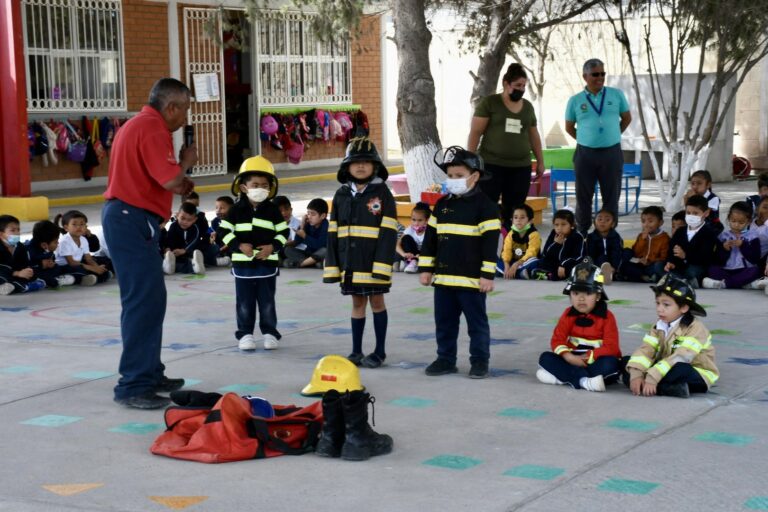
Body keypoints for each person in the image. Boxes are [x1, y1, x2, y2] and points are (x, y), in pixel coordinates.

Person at [102, 77, 197, 409]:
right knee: (142, 301)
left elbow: (160, 181)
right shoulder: (153, 128)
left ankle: (150, 372)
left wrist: (179, 180)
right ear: (171, 106)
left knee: (151, 298)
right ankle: (133, 384)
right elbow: (171, 178)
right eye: (185, 108)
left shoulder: (140, 124)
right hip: (129, 218)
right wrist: (186, 161)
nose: (186, 117)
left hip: (132, 217)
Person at [419, 146, 500, 379]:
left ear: (474, 177)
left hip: (472, 281)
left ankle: (480, 361)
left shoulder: (486, 207)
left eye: (459, 176)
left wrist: (487, 275)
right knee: (444, 323)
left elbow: (489, 244)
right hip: (444, 280)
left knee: (477, 324)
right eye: (450, 176)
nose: (453, 181)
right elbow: (430, 240)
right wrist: (426, 269)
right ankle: (445, 359)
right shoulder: (442, 205)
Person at [324, 137, 398, 369]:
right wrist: (334, 266)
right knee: (357, 303)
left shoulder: (383, 193)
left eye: (366, 161)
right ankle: (356, 351)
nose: (361, 166)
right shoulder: (341, 195)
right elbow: (333, 232)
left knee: (377, 301)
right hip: (350, 263)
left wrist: (382, 265)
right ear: (347, 167)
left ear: (375, 166)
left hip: (373, 262)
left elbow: (388, 232)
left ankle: (379, 351)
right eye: (355, 162)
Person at [218, 156, 288, 352]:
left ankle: (270, 333)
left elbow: (284, 232)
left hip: (267, 266)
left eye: (264, 185)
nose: (260, 188)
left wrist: (272, 248)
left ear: (271, 188)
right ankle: (245, 334)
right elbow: (223, 232)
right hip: (243, 267)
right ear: (243, 187)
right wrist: (238, 245)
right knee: (244, 303)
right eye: (255, 184)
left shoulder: (273, 210)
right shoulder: (235, 211)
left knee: (267, 302)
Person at [468, 63, 545, 221]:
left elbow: (534, 136)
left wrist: (540, 161)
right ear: (506, 83)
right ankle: (488, 241)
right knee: (487, 208)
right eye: (517, 85)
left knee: (515, 211)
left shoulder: (528, 107)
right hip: (491, 165)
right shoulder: (490, 103)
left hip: (520, 167)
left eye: (524, 86)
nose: (521, 89)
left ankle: (511, 241)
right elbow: (475, 132)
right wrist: (470, 160)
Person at [621, 273, 718, 398]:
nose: (659, 309)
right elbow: (646, 350)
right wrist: (636, 375)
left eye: (666, 305)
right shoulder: (659, 325)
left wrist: (652, 377)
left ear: (683, 308)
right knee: (627, 361)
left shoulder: (696, 328)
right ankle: (668, 388)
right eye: (657, 303)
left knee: (680, 369)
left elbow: (682, 357)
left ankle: (654, 386)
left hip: (693, 372)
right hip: (664, 368)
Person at [565, 58, 632, 233]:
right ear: (585, 76)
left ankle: (608, 235)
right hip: (585, 154)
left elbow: (626, 118)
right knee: (584, 197)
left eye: (603, 73)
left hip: (611, 153)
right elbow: (569, 127)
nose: (600, 77)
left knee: (611, 196)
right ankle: (582, 234)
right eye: (595, 74)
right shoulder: (575, 100)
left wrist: (612, 135)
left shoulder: (616, 95)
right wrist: (586, 139)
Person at [536, 258, 621, 392]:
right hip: (572, 359)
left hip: (595, 361)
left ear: (598, 296)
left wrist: (589, 357)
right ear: (569, 295)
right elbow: (557, 340)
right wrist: (568, 357)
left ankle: (563, 377)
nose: (581, 298)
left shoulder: (607, 317)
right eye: (575, 293)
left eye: (587, 293)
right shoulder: (568, 314)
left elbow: (612, 347)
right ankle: (584, 381)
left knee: (610, 364)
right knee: (545, 358)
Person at [703, 201, 762, 289]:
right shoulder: (723, 236)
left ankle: (724, 284)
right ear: (728, 219)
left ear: (749, 221)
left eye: (741, 222)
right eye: (733, 221)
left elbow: (755, 258)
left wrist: (743, 245)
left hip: (744, 269)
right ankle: (742, 284)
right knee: (712, 269)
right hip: (726, 270)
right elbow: (717, 259)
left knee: (755, 271)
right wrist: (724, 249)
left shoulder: (752, 236)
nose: (736, 225)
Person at [664, 195, 719, 287]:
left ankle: (684, 280)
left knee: (692, 271)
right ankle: (683, 280)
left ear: (706, 213)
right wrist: (670, 262)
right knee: (662, 267)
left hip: (697, 266)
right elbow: (671, 249)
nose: (691, 216)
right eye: (688, 213)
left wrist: (685, 256)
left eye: (695, 213)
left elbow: (705, 257)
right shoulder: (680, 231)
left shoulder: (709, 233)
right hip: (679, 265)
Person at [54, 210, 111, 286]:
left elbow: (89, 259)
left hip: (79, 263)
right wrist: (92, 268)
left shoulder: (83, 239)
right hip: (65, 266)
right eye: (74, 224)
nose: (79, 227)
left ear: (86, 226)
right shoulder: (64, 241)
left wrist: (97, 268)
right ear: (66, 227)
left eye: (82, 224)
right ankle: (75, 278)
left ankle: (88, 278)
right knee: (79, 270)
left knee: (103, 267)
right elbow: (71, 262)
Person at [531, 208, 586, 281]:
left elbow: (578, 256)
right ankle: (550, 275)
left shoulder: (577, 237)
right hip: (555, 264)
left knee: (579, 267)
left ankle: (549, 275)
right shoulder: (553, 233)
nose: (559, 228)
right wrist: (556, 244)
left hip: (568, 264)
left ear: (571, 225)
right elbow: (546, 253)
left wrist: (563, 265)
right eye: (556, 225)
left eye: (563, 224)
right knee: (540, 261)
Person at [619, 205, 669, 283]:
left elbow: (664, 257)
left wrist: (649, 261)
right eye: (643, 221)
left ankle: (646, 277)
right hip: (640, 265)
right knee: (626, 254)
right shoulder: (641, 236)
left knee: (658, 266)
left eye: (650, 221)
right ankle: (645, 277)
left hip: (652, 265)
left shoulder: (664, 238)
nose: (646, 224)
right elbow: (635, 252)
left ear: (660, 223)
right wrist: (642, 239)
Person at [0, 215, 46, 295]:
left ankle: (16, 286)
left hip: (13, 275)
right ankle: (20, 286)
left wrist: (27, 271)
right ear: (1, 234)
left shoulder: (20, 247)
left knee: (35, 273)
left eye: (18, 230)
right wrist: (16, 273)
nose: (17, 233)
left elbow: (24, 264)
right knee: (2, 277)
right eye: (13, 230)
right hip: (4, 274)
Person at [26, 220, 76, 289]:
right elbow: (25, 266)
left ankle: (55, 279)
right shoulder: (29, 251)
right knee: (33, 274)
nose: (58, 243)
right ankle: (53, 281)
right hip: (34, 272)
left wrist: (51, 263)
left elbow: (51, 257)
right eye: (55, 242)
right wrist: (41, 264)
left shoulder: (47, 247)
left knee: (63, 268)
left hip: (47, 270)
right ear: (44, 245)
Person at [161, 202, 207, 275]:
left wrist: (185, 250)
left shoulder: (195, 228)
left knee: (201, 252)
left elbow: (194, 241)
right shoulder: (173, 226)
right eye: (182, 218)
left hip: (190, 252)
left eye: (189, 220)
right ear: (177, 215)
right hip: (175, 253)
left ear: (194, 220)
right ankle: (169, 264)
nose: (185, 222)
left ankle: (196, 266)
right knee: (172, 259)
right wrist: (168, 248)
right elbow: (169, 238)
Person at [283, 197, 329, 269]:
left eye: (313, 214)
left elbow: (319, 245)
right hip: (309, 254)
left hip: (320, 253)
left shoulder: (326, 226)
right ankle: (312, 263)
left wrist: (304, 236)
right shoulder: (308, 224)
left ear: (323, 216)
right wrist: (302, 224)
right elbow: (297, 242)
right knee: (288, 250)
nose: (309, 217)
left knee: (325, 250)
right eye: (308, 213)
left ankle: (301, 264)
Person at [501, 203, 541, 279]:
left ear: (530, 220)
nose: (518, 220)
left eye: (522, 217)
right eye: (515, 217)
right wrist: (506, 265)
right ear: (511, 220)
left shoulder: (534, 234)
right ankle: (519, 273)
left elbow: (531, 253)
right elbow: (506, 250)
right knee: (497, 261)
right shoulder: (511, 234)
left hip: (525, 262)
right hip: (513, 262)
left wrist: (516, 265)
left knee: (534, 261)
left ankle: (514, 273)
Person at [585, 208, 623, 284]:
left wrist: (614, 268)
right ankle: (602, 276)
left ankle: (611, 275)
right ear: (594, 223)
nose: (603, 222)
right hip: (597, 264)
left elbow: (617, 253)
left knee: (627, 253)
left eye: (607, 220)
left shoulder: (616, 237)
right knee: (602, 257)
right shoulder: (590, 237)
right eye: (600, 219)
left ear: (613, 224)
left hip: (612, 265)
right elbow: (590, 254)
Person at [395, 202, 431, 274]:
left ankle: (417, 263)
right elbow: (397, 244)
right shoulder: (410, 229)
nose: (416, 223)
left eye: (420, 220)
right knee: (406, 238)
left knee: (430, 239)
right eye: (413, 220)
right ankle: (412, 262)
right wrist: (403, 254)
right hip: (412, 255)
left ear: (427, 220)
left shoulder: (430, 230)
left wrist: (423, 255)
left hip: (425, 256)